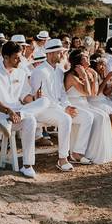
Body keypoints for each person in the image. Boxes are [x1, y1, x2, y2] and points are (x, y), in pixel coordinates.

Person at [0, 41, 51, 178]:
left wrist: (34, 99)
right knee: (30, 119)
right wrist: (9, 112)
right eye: (16, 57)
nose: (20, 60)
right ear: (6, 57)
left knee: (44, 101)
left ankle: (27, 166)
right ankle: (27, 164)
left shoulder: (20, 72)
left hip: (16, 114)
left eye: (20, 56)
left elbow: (24, 96)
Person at [25, 40, 81, 171]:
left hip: (56, 109)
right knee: (65, 118)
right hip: (41, 109)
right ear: (50, 54)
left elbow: (62, 94)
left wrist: (67, 106)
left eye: (62, 52)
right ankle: (63, 159)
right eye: (60, 52)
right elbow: (36, 98)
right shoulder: (39, 71)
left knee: (78, 115)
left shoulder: (59, 71)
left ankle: (78, 152)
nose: (62, 55)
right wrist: (63, 109)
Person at [63, 50, 112, 164]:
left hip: (84, 104)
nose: (88, 60)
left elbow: (94, 93)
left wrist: (95, 76)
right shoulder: (71, 76)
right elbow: (87, 93)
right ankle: (77, 152)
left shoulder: (85, 73)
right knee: (91, 117)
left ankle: (94, 153)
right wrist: (85, 77)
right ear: (78, 61)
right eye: (85, 58)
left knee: (103, 116)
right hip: (74, 105)